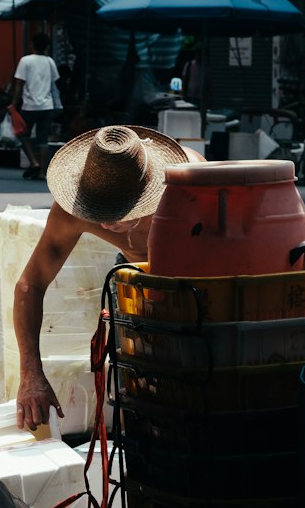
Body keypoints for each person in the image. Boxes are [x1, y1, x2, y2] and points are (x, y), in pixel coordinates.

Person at [14, 124, 205, 430]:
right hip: (132, 280)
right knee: (137, 395)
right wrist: (30, 373)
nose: (108, 224)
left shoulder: (190, 186)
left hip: (197, 280)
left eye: (122, 211)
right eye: (98, 211)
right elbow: (30, 285)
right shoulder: (72, 211)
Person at [12, 31, 60, 181]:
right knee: (43, 139)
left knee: (22, 134)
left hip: (30, 106)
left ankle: (33, 162)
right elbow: (54, 83)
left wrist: (13, 103)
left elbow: (19, 84)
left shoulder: (25, 61)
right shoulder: (50, 61)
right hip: (47, 105)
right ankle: (41, 171)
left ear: (32, 44)